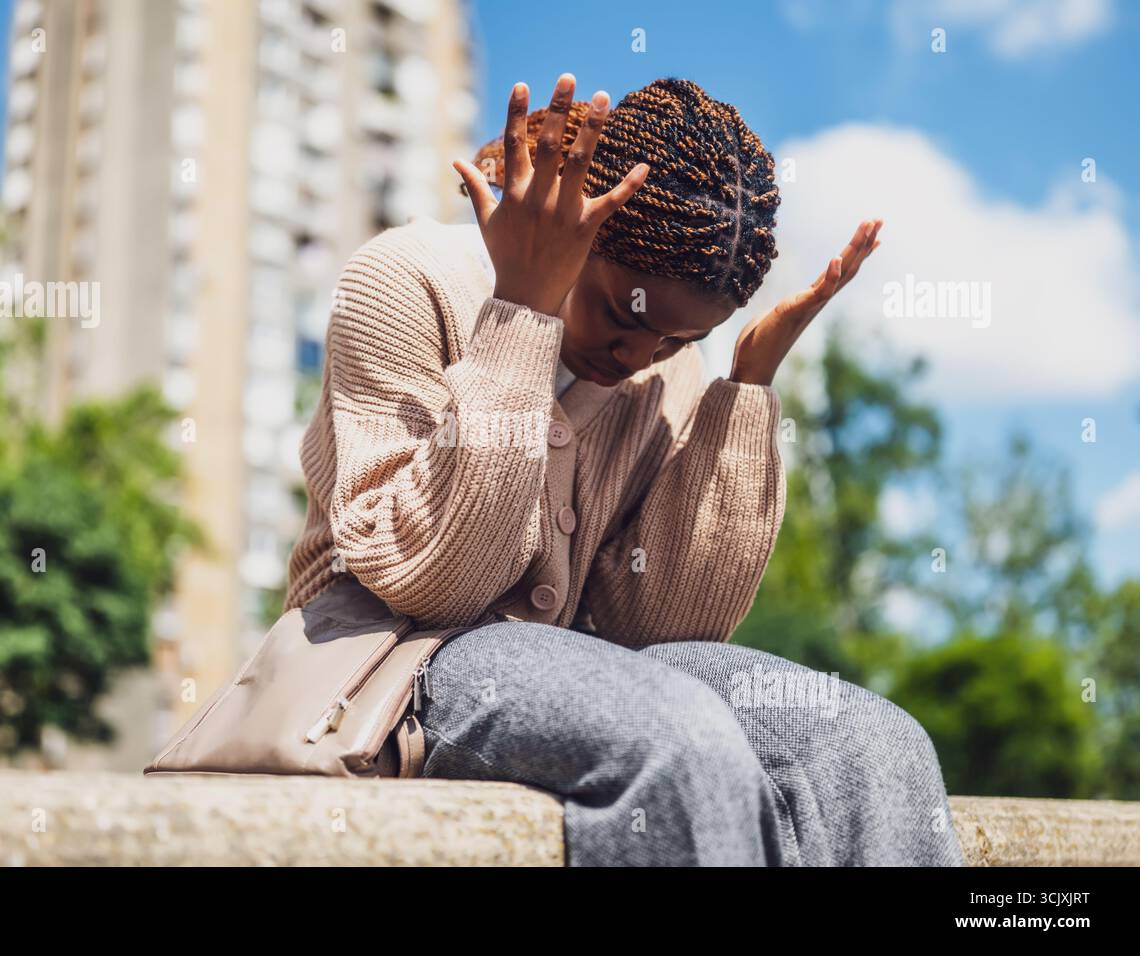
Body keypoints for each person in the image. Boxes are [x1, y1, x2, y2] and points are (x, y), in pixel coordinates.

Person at [284, 73, 965, 866]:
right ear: (579, 224)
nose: (638, 356)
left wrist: (742, 394)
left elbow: (661, 631)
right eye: (622, 312)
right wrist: (524, 314)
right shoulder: (408, 278)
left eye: (676, 341)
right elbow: (432, 583)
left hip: (583, 677)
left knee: (872, 744)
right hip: (395, 661)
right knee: (679, 739)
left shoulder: (663, 376)